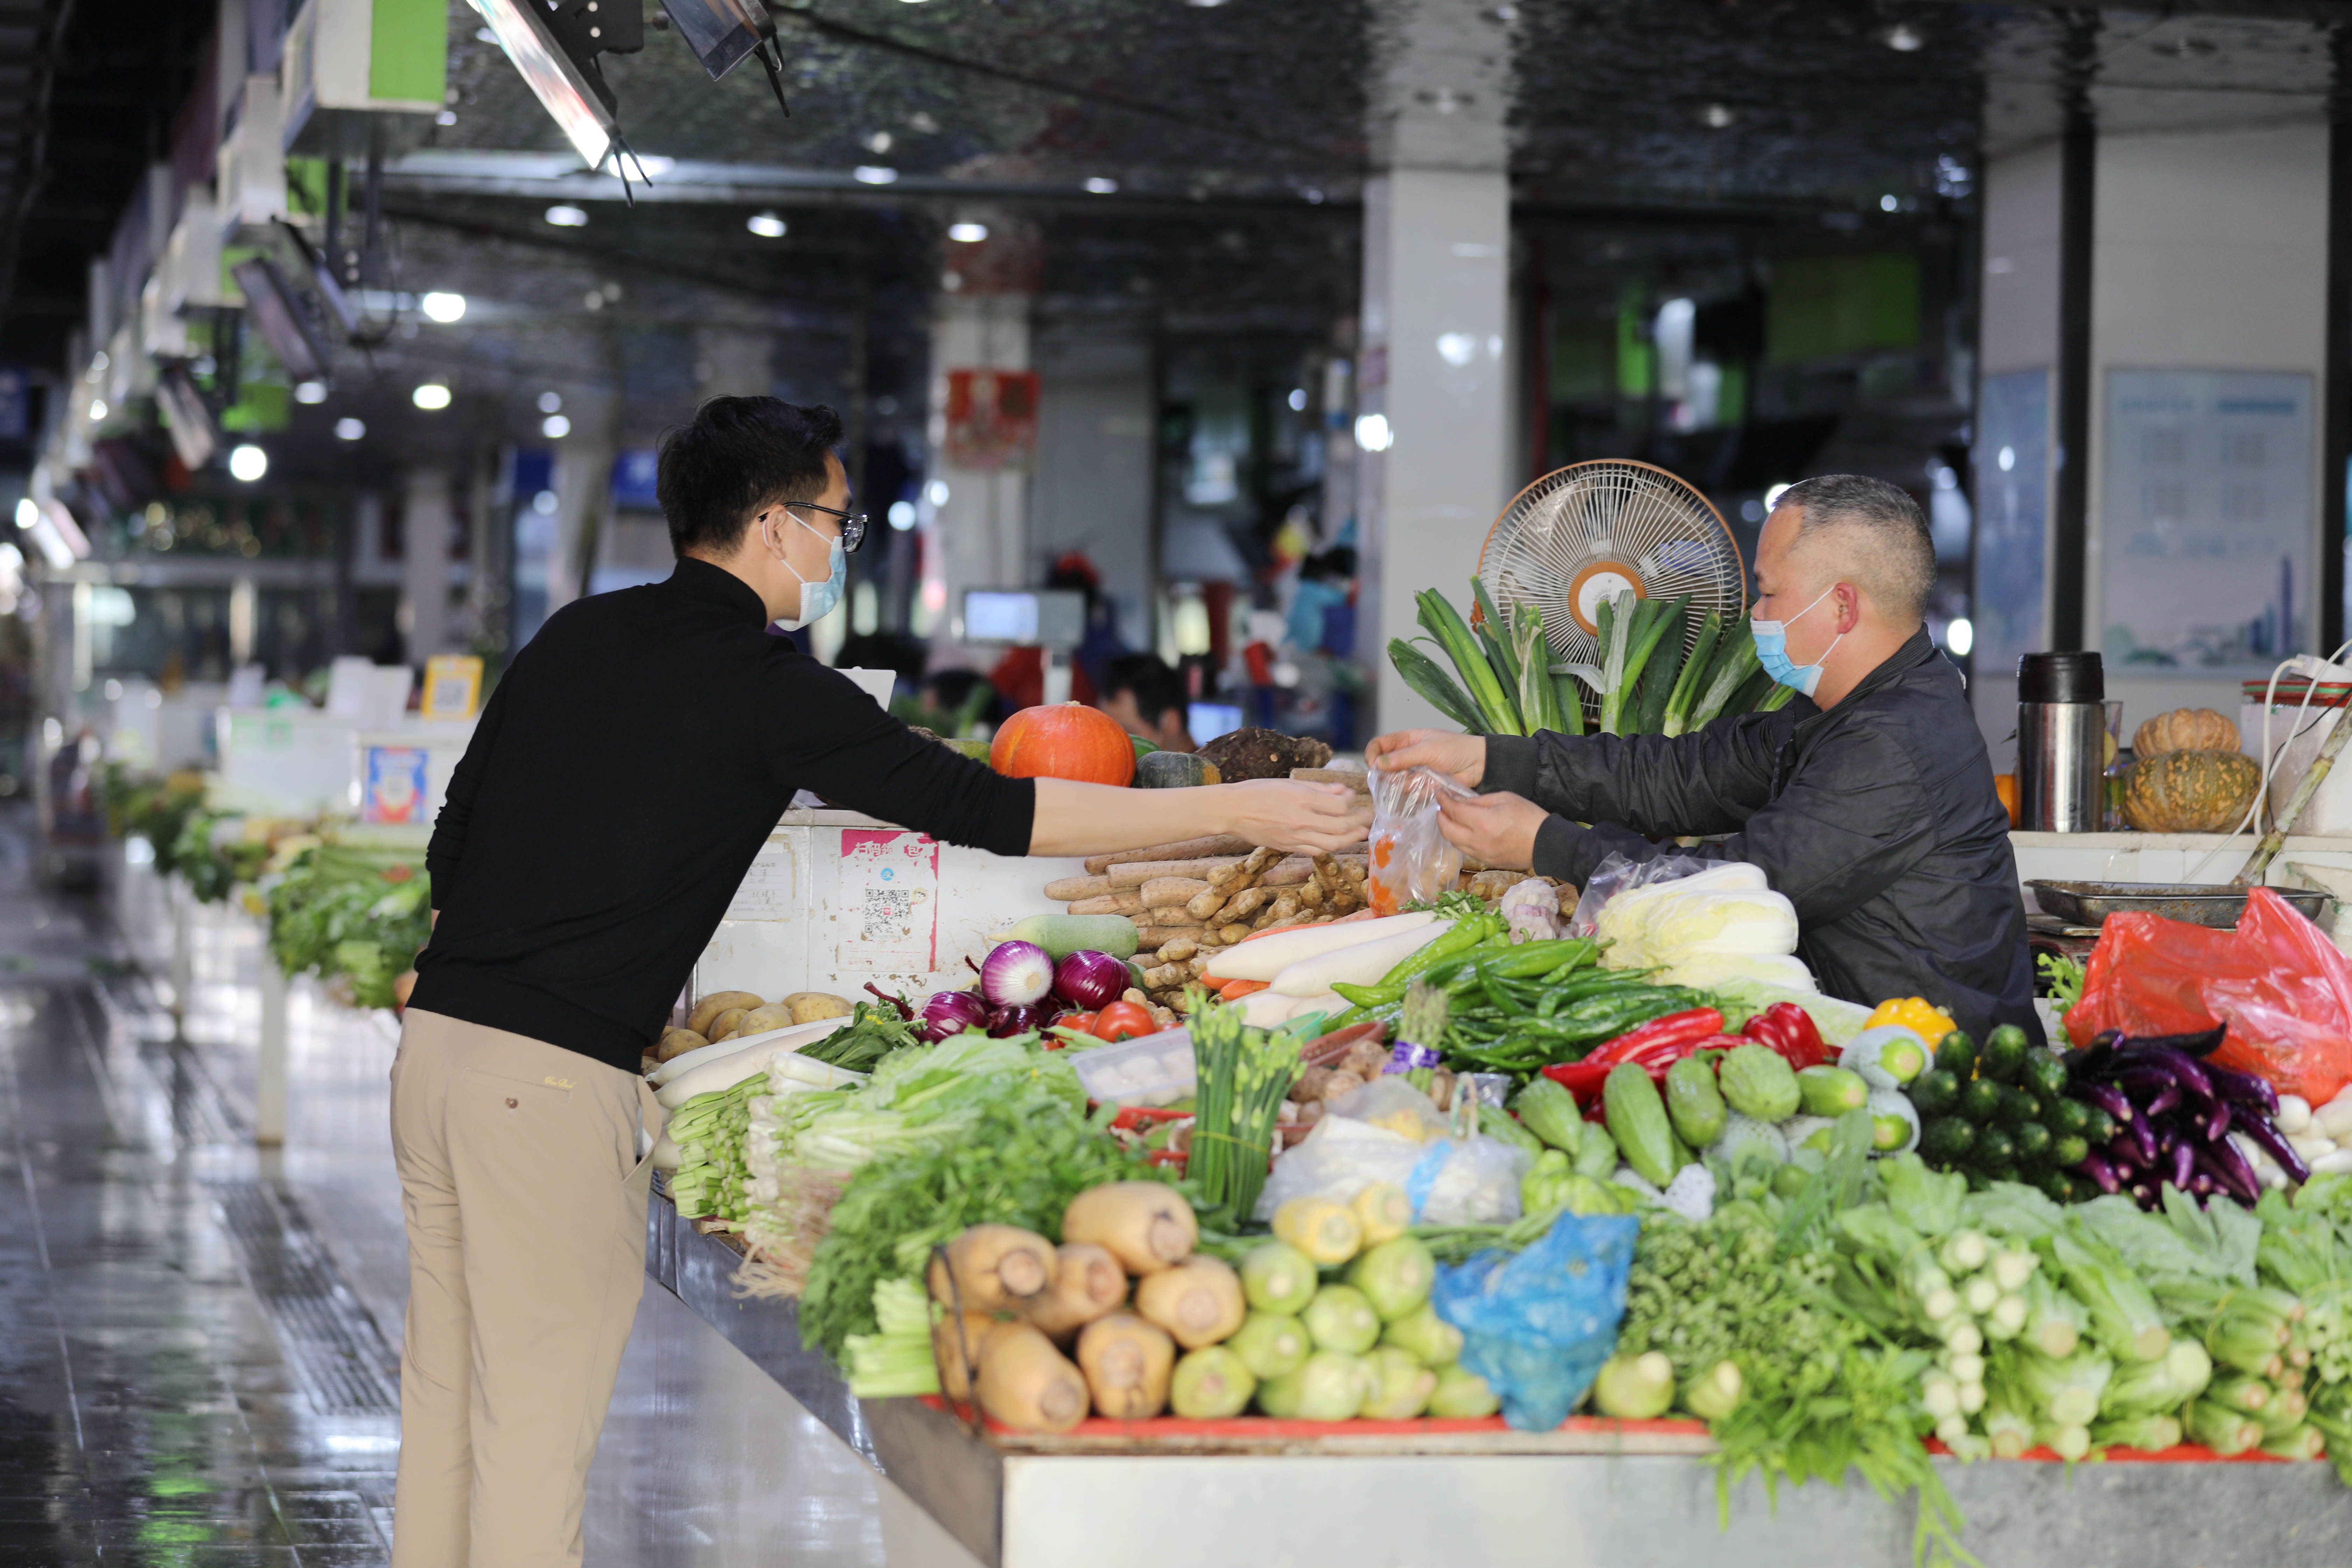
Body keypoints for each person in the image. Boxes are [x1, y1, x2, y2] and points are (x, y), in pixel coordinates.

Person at [391, 396, 1368, 1568]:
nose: (835, 552)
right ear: (770, 525)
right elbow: (984, 808)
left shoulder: (578, 637)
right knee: (532, 1441)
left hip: (441, 1059)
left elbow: (454, 838)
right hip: (545, 1095)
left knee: (448, 1414)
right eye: (835, 524)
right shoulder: (766, 683)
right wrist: (1237, 807)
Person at [1368, 473, 2037, 1042]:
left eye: (1771, 592)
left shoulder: (1893, 743)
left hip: (1933, 1059)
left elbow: (1739, 887)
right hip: (1867, 1027)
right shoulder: (1842, 707)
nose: (1756, 610)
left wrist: (1547, 845)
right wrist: (1492, 758)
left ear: (1840, 606)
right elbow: (1680, 774)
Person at [1096, 652, 1195, 752]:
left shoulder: (1206, 768)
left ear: (1170, 724)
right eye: (1104, 733)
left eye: (1127, 734)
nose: (1111, 747)